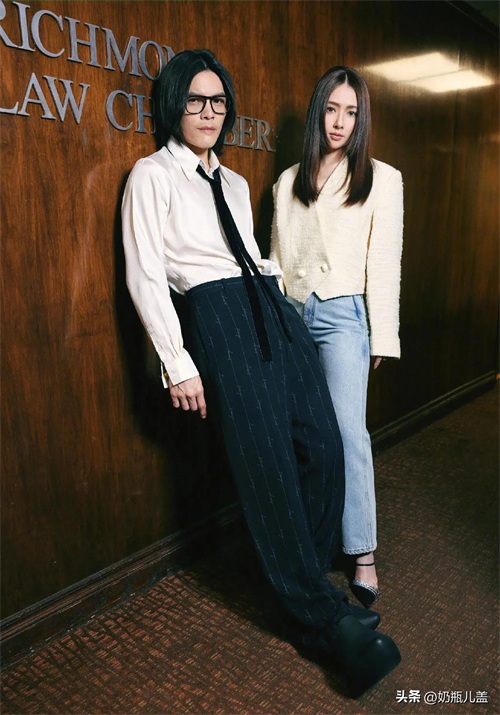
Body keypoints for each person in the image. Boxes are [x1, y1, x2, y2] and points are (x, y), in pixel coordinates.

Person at [121, 49, 400, 696]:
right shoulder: (152, 175)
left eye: (218, 101)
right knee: (267, 463)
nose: (209, 112)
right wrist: (177, 362)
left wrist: (282, 308)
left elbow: (251, 252)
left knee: (323, 446)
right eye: (196, 100)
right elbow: (145, 274)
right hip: (215, 316)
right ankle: (323, 622)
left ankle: (303, 576)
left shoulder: (237, 182)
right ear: (174, 104)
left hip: (270, 305)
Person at [270, 66, 404, 608]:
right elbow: (276, 258)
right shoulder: (287, 180)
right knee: (302, 433)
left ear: (361, 117)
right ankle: (311, 540)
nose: (339, 122)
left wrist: (382, 335)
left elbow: (385, 261)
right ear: (318, 112)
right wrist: (275, 321)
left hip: (345, 314)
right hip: (293, 313)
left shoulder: (382, 178)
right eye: (331, 109)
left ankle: (362, 551)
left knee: (349, 433)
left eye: (350, 112)